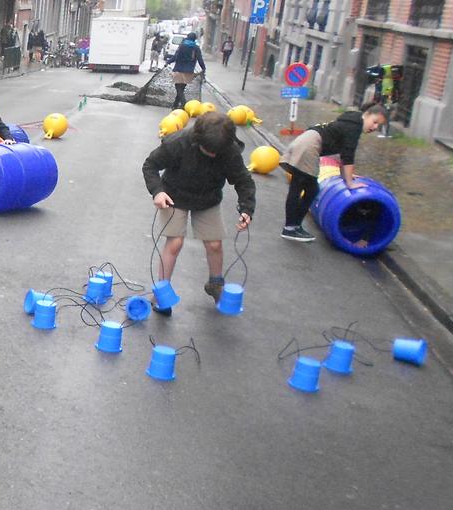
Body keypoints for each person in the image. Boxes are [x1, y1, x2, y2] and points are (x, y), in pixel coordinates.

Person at [142, 112, 255, 313]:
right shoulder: (178, 143)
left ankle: (215, 285)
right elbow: (150, 165)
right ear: (197, 139)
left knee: (214, 244)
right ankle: (162, 292)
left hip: (208, 198)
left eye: (216, 152)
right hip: (174, 196)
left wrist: (247, 208)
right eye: (208, 150)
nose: (212, 155)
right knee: (175, 242)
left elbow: (243, 180)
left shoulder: (229, 150)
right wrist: (157, 192)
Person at [279, 103, 387, 242]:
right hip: (309, 146)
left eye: (379, 126)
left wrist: (346, 176)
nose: (375, 127)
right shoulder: (354, 126)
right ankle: (291, 228)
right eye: (375, 122)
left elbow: (343, 153)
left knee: (303, 188)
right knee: (308, 189)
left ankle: (292, 227)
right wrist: (349, 183)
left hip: (305, 140)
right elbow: (348, 155)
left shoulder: (351, 121)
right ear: (366, 114)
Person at [170, 32, 206, 110]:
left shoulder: (182, 46)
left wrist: (168, 62)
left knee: (178, 88)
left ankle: (184, 104)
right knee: (181, 88)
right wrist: (203, 68)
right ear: (194, 39)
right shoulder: (196, 48)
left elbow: (175, 56)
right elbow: (200, 59)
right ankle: (175, 105)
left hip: (178, 70)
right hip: (189, 71)